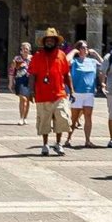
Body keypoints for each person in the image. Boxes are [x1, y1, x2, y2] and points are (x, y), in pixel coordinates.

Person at [26, 28, 72, 156]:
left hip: (59, 93)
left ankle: (58, 143)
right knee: (44, 121)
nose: (50, 42)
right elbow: (32, 75)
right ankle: (45, 144)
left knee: (62, 119)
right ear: (44, 42)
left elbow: (66, 74)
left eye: (52, 40)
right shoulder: (37, 56)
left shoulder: (61, 55)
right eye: (48, 40)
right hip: (42, 94)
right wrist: (31, 91)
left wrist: (71, 89)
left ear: (56, 41)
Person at [66, 40, 100, 148]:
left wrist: (95, 54)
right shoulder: (75, 61)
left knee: (88, 117)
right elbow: (66, 61)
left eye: (86, 47)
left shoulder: (92, 61)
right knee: (74, 118)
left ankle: (88, 140)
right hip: (77, 93)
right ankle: (68, 139)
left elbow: (105, 65)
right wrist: (73, 51)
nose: (85, 49)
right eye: (82, 47)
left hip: (89, 92)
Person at [9, 42, 32, 125]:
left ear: (29, 50)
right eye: (23, 48)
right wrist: (11, 82)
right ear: (21, 50)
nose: (25, 50)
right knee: (23, 99)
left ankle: (25, 117)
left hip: (30, 81)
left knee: (28, 99)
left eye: (27, 48)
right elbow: (12, 70)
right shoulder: (17, 59)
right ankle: (21, 117)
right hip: (20, 80)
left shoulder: (32, 58)